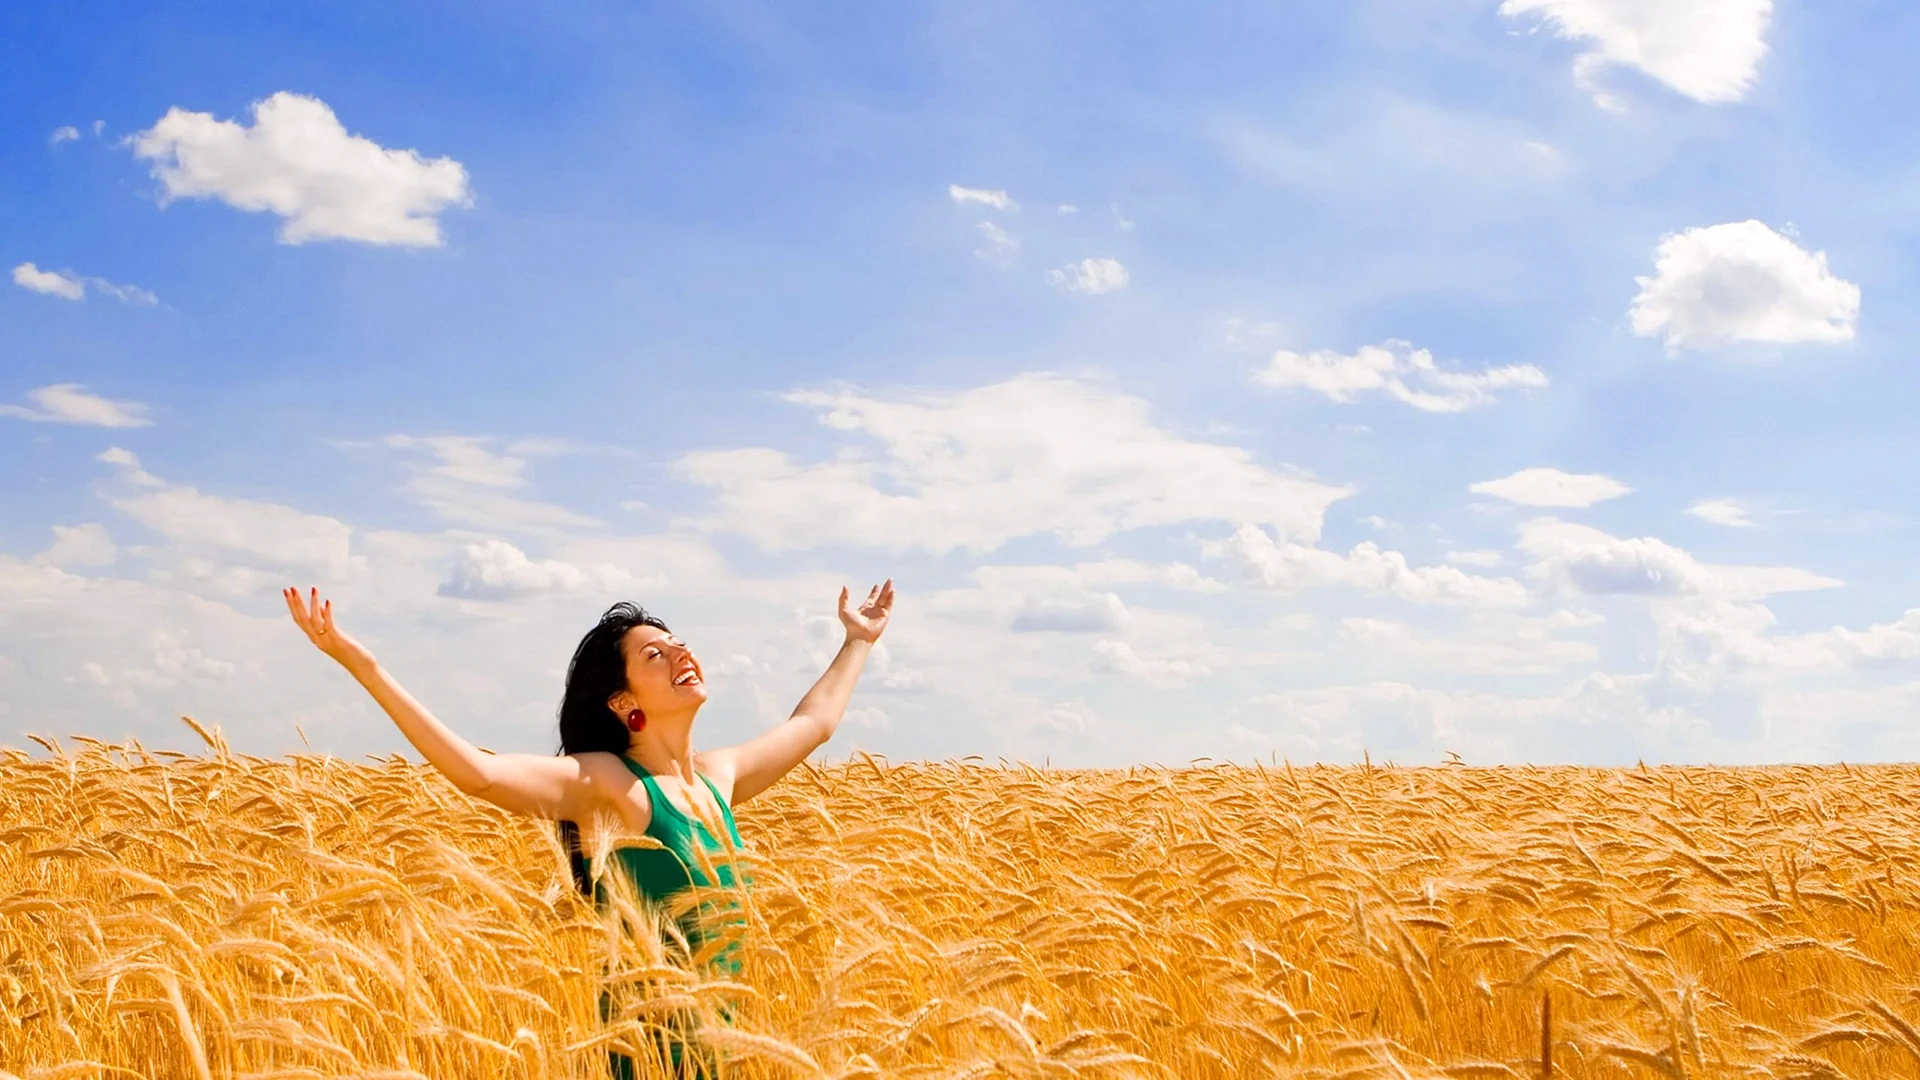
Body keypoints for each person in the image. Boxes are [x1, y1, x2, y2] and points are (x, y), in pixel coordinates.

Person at [283, 580, 896, 1078]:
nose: (682, 653)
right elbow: (481, 775)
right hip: (654, 1064)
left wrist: (858, 641)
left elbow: (814, 722)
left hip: (733, 1058)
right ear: (619, 700)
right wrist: (362, 666)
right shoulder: (612, 786)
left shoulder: (718, 780)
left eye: (680, 643)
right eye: (655, 653)